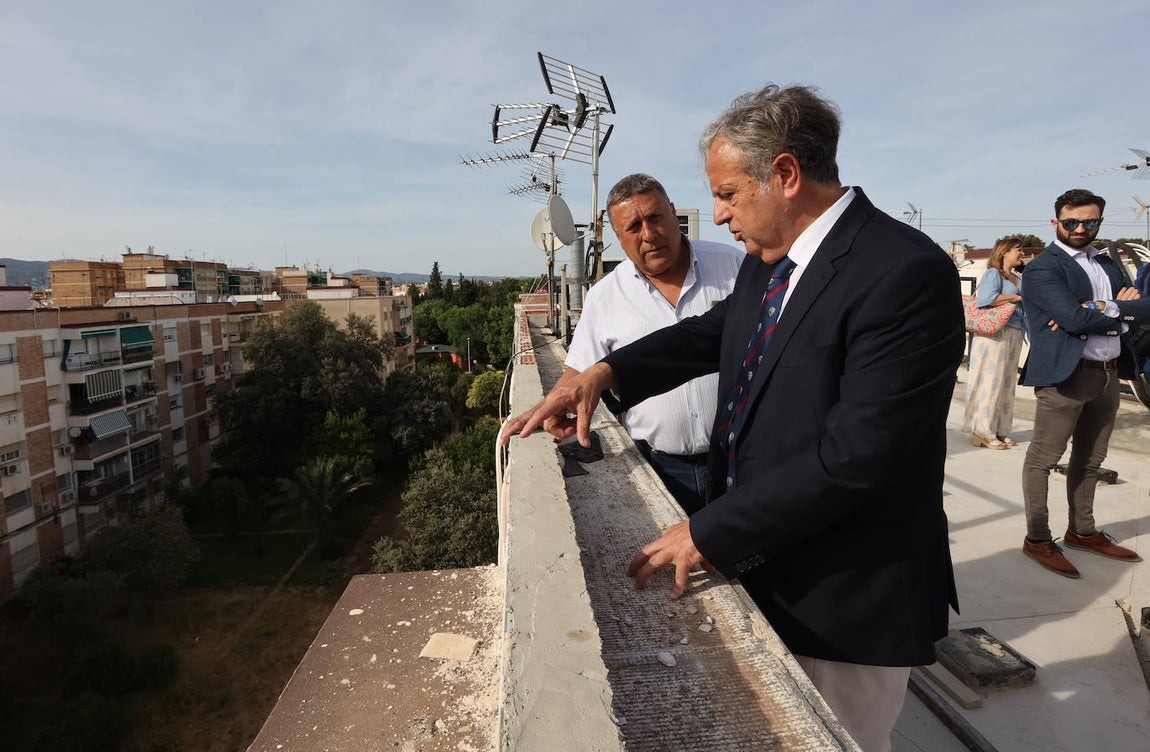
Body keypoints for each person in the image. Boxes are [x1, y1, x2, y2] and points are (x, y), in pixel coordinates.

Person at [509, 84, 964, 752]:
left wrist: (711, 528)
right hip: (776, 558)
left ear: (784, 175)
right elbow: (711, 335)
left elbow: (857, 455)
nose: (717, 216)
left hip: (847, 598)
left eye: (726, 193)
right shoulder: (773, 262)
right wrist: (604, 375)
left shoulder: (903, 272)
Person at [561, 174, 742, 512]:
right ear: (618, 237)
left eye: (656, 217)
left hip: (740, 465)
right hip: (661, 470)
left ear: (674, 214)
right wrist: (551, 408)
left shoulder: (734, 266)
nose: (649, 234)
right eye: (633, 227)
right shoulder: (604, 297)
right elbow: (577, 375)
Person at [1018, 188, 1150, 579]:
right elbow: (1073, 321)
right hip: (1066, 375)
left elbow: (1145, 308)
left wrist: (1105, 308)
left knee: (1091, 460)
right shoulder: (1045, 267)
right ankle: (1038, 538)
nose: (1080, 228)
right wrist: (1117, 311)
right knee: (1044, 459)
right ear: (1055, 222)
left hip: (1108, 372)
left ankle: (1082, 531)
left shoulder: (1107, 265)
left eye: (1089, 222)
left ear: (1099, 223)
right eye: (1071, 221)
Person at [964, 237, 1027, 449]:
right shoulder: (994, 274)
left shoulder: (1018, 277)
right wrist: (1015, 298)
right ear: (1004, 252)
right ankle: (983, 431)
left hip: (1015, 331)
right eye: (1018, 249)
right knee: (989, 381)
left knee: (1006, 384)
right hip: (994, 333)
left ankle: (1001, 429)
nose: (1022, 253)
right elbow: (984, 299)